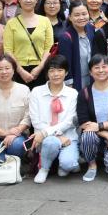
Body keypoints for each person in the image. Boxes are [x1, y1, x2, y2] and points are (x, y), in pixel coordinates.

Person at [28, 53, 80, 183]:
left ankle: (64, 164)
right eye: (52, 70)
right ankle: (44, 168)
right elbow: (35, 121)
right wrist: (54, 136)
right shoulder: (36, 92)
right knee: (51, 142)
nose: (56, 74)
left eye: (60, 70)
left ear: (66, 72)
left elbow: (69, 122)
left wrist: (50, 133)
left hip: (68, 137)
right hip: (44, 139)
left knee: (67, 165)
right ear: (47, 73)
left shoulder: (73, 94)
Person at [3, 0, 54, 87]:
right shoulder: (11, 23)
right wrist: (20, 71)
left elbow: (49, 48)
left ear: (37, 0)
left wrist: (39, 67)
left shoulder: (45, 21)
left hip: (41, 69)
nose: (28, 0)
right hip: (17, 70)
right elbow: (7, 50)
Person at [56, 1, 108, 91]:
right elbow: (65, 65)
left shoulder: (91, 28)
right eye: (77, 15)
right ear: (70, 17)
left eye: (84, 14)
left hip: (93, 79)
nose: (81, 18)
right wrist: (69, 86)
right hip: (77, 81)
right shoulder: (66, 37)